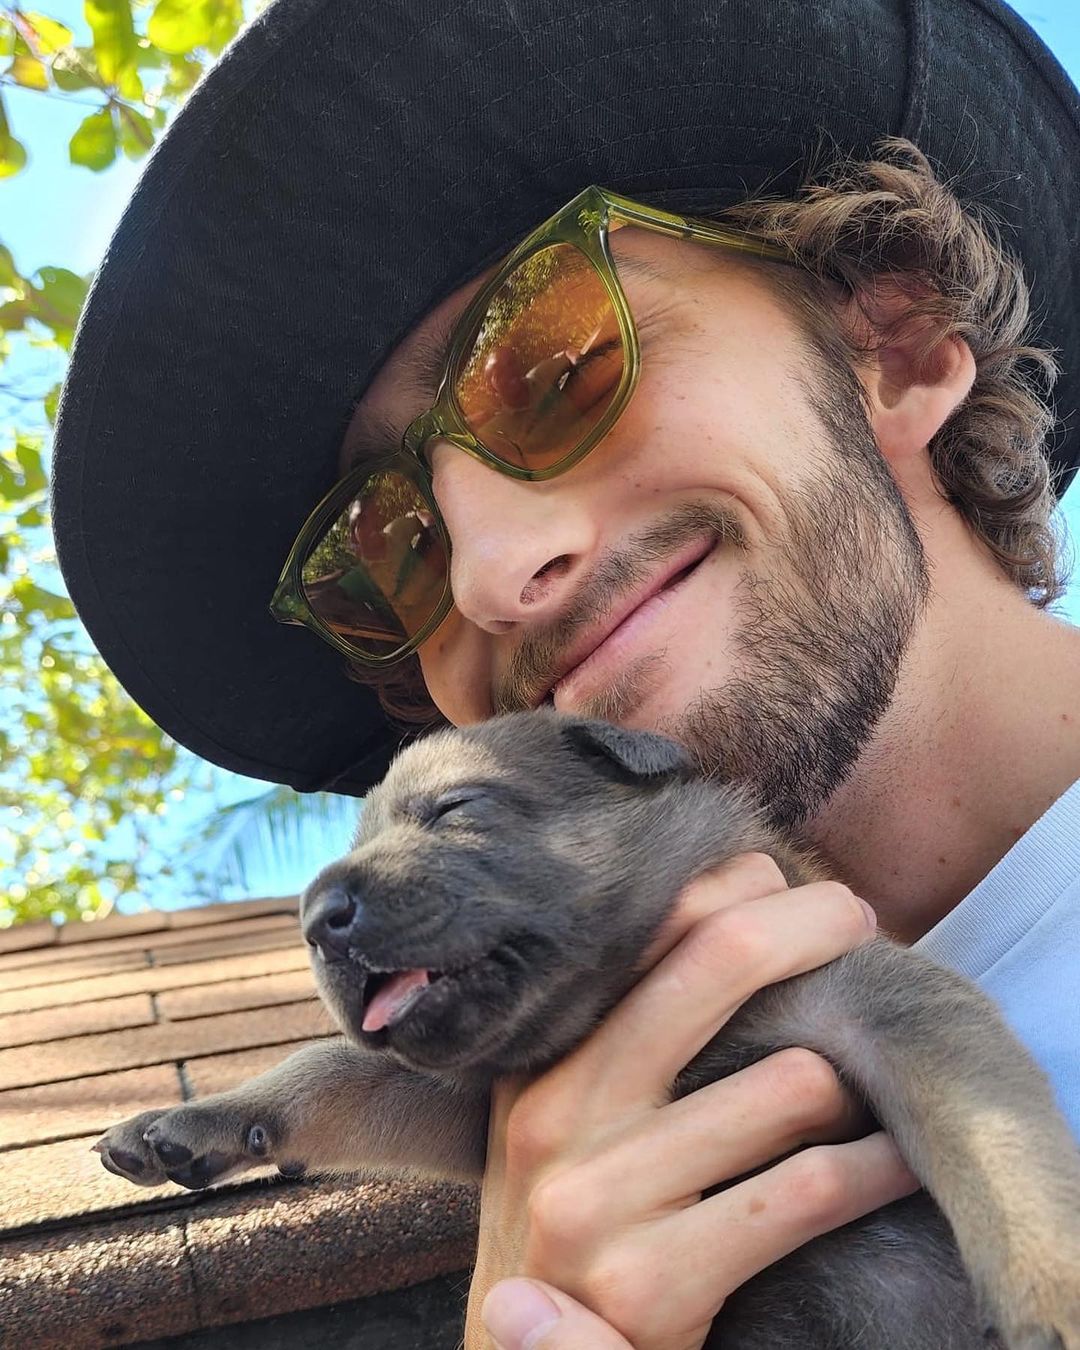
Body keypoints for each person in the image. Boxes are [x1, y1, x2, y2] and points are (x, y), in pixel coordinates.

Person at [50, 1, 1080, 1347]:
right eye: (389, 550)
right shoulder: (550, 1109)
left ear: (894, 335)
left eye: (555, 367)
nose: (486, 572)